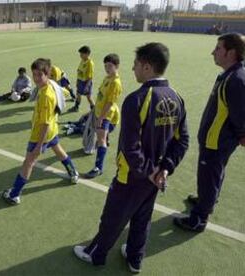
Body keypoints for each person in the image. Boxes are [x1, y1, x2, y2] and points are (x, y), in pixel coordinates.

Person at [73, 43, 189, 273]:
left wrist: (152, 171)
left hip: (132, 177)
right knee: (142, 218)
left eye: (136, 65)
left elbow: (131, 149)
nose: (133, 69)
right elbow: (182, 140)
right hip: (154, 178)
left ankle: (95, 253)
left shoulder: (136, 99)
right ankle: (135, 258)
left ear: (147, 67)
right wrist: (164, 169)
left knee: (113, 218)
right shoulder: (176, 97)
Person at [174, 33, 245, 232]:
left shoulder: (237, 79)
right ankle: (207, 199)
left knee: (209, 175)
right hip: (216, 139)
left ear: (231, 52)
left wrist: (241, 135)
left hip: (217, 141)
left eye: (218, 48)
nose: (213, 52)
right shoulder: (229, 74)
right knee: (213, 173)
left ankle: (199, 218)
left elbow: (241, 115)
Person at [1, 58, 79, 205]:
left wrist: (38, 146)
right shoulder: (52, 85)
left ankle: (14, 194)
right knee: (58, 149)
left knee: (28, 162)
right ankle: (73, 172)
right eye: (34, 74)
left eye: (39, 75)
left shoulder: (45, 96)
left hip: (40, 135)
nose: (36, 78)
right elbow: (65, 92)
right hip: (52, 131)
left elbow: (44, 123)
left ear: (47, 74)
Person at [84, 54, 123, 179]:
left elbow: (110, 102)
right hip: (99, 112)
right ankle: (106, 138)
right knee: (102, 137)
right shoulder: (108, 78)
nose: (107, 68)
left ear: (117, 66)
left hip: (105, 115)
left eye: (110, 66)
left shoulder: (115, 83)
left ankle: (98, 168)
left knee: (100, 140)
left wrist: (101, 118)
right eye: (105, 66)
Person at [70, 46, 95, 112]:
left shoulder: (90, 63)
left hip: (86, 82)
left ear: (87, 54)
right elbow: (79, 71)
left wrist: (87, 86)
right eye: (80, 54)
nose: (80, 55)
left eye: (82, 54)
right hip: (80, 81)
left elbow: (90, 77)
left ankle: (94, 109)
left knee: (88, 97)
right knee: (78, 94)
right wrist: (78, 81)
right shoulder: (83, 60)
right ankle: (76, 107)